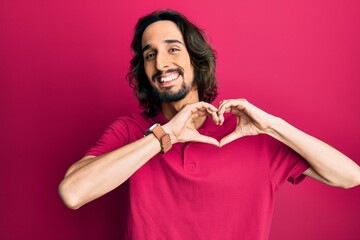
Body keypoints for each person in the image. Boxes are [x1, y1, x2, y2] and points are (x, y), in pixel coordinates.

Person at [59, 9, 360, 240]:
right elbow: (73, 193)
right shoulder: (132, 132)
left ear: (196, 60)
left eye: (173, 49)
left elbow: (349, 176)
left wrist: (273, 126)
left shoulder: (249, 132)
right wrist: (163, 136)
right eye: (150, 55)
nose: (161, 64)